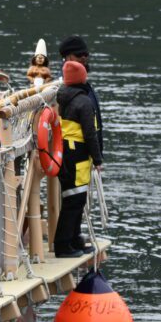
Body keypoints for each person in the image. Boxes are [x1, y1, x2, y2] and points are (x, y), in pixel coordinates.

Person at [54, 60, 102, 258]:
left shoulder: (62, 96)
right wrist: (98, 159)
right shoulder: (84, 102)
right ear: (82, 78)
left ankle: (74, 240)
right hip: (78, 155)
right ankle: (63, 245)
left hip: (64, 152)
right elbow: (90, 134)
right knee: (75, 201)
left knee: (73, 199)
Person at [59, 35, 103, 156]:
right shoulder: (63, 86)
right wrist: (97, 158)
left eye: (86, 54)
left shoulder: (83, 85)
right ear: (67, 57)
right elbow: (89, 130)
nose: (84, 58)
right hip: (79, 154)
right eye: (79, 55)